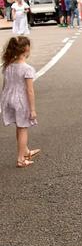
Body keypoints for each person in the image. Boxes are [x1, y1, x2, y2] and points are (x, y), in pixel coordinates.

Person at [3, 37, 39, 168]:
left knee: (19, 126)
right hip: (20, 101)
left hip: (8, 98)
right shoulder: (27, 68)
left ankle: (26, 151)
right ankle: (21, 159)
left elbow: (5, 85)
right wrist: (33, 109)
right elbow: (29, 91)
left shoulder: (8, 65)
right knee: (23, 128)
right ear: (26, 49)